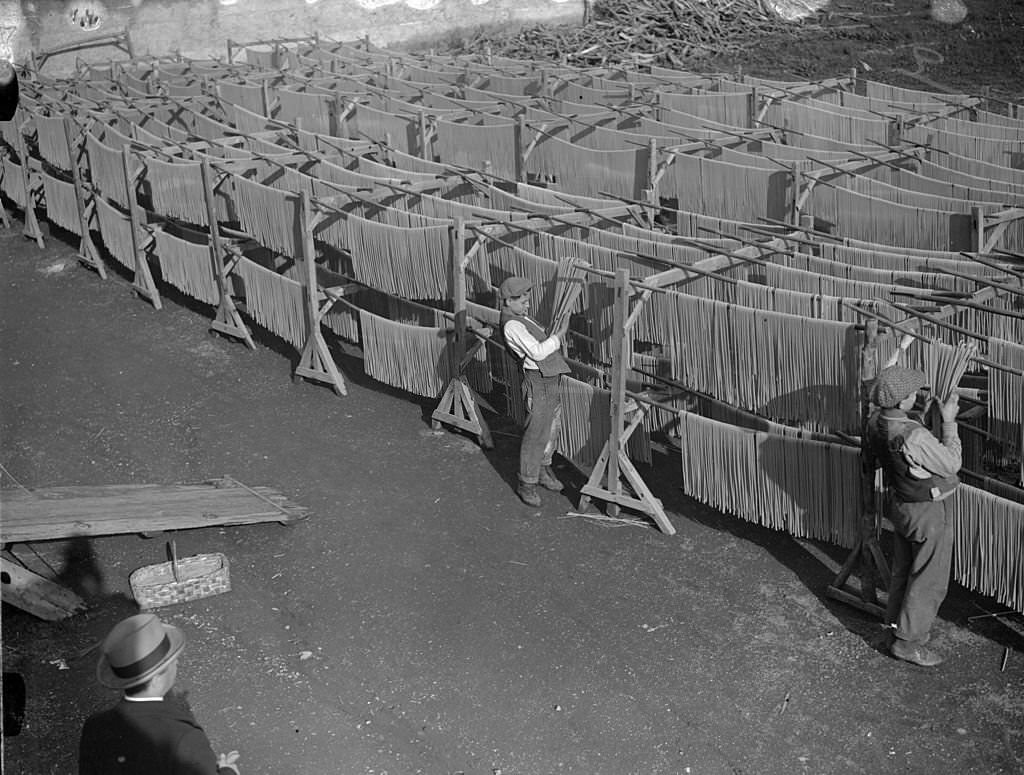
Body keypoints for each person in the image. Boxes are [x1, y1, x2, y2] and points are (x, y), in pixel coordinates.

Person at [865, 363, 962, 667]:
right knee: (929, 579)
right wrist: (948, 423)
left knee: (904, 570)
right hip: (927, 513)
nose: (917, 396)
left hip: (901, 506)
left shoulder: (875, 421)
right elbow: (951, 463)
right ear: (904, 399)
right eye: (913, 393)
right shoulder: (914, 436)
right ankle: (909, 643)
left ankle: (894, 627)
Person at [79, 613, 241, 775]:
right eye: (172, 660)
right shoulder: (184, 739)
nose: (177, 662)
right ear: (156, 677)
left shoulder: (94, 726)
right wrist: (228, 771)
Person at [499, 276, 571, 507]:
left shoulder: (521, 317)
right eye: (522, 302)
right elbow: (538, 352)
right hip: (537, 382)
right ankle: (527, 483)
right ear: (508, 301)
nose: (528, 305)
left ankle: (543, 469)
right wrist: (558, 337)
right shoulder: (512, 324)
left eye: (528, 301)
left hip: (549, 379)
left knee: (551, 429)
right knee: (536, 434)